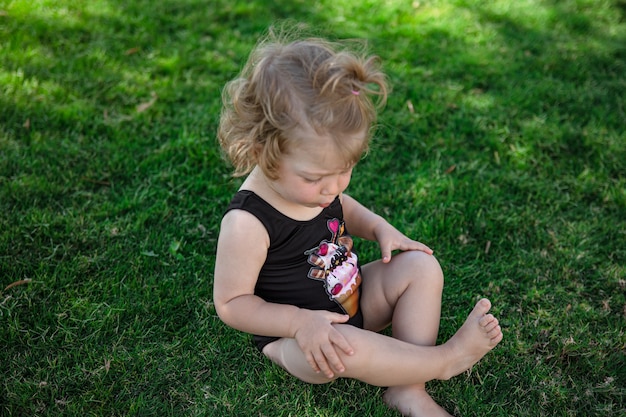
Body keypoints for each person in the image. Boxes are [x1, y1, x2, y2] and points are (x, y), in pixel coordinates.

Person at [213, 26, 503, 417]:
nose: (331, 188)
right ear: (264, 151)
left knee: (421, 266)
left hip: (355, 297)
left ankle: (406, 388)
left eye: (344, 170)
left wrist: (380, 227)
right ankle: (445, 361)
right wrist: (300, 324)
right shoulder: (248, 221)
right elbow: (232, 304)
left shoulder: (322, 188)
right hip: (300, 339)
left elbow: (344, 206)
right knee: (344, 346)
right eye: (315, 178)